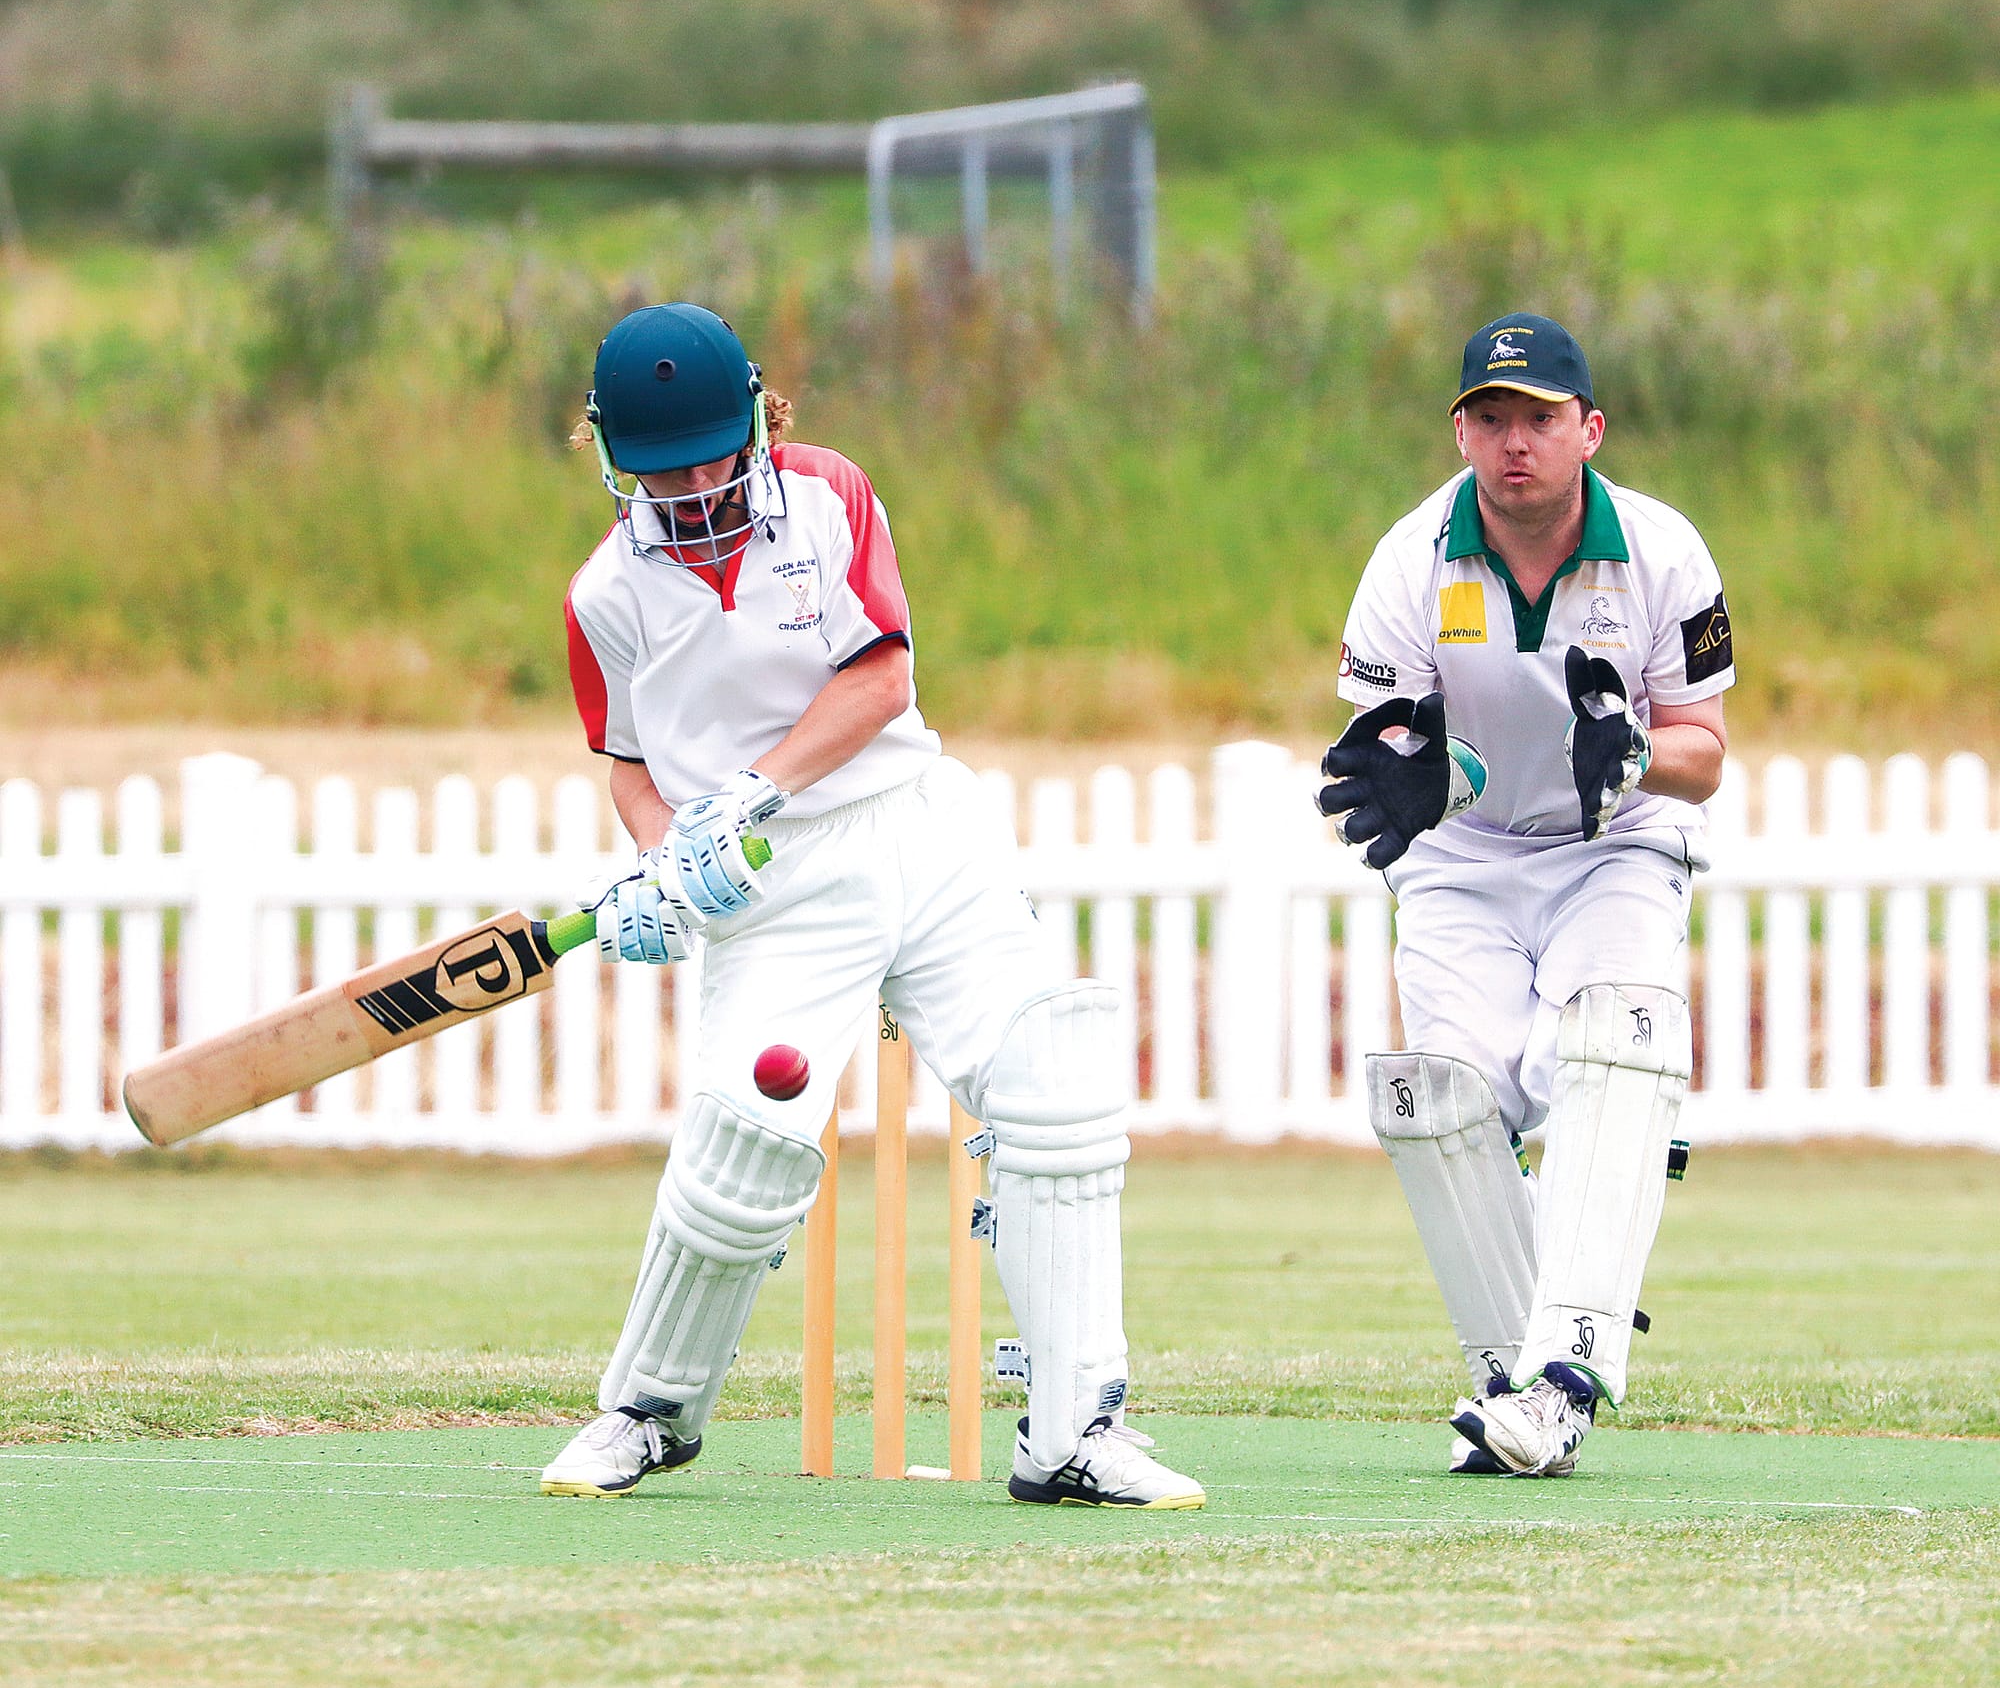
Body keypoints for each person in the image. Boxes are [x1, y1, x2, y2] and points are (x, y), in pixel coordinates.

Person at [539, 300, 1204, 1510]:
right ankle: (646, 1413)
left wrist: (752, 786)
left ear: (755, 416)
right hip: (775, 890)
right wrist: (651, 864)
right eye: (659, 466)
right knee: (747, 1139)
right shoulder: (604, 594)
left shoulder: (828, 495)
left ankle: (1074, 1430)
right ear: (607, 456)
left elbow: (883, 673)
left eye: (708, 451)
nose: (690, 483)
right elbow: (629, 762)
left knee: (1048, 1083)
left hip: (917, 831)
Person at [1319, 313, 1731, 1477]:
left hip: (1616, 845)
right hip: (1463, 857)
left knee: (1614, 1048)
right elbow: (1395, 746)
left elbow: (1703, 745)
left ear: (1586, 430)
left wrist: (1637, 754)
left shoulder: (1659, 552)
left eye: (1539, 419)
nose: (1515, 443)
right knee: (1442, 1101)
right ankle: (1513, 1388)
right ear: (1459, 431)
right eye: (1490, 417)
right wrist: (1422, 772)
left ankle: (1560, 1381)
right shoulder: (1410, 560)